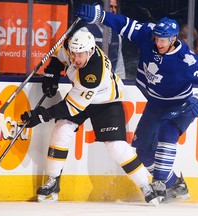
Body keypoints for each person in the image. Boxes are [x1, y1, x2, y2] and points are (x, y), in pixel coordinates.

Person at [75, 4, 198, 203]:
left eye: (163, 40)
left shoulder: (186, 60)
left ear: (173, 40)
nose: (159, 43)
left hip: (181, 105)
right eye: (157, 38)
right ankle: (175, 185)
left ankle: (160, 182)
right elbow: (123, 23)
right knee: (143, 152)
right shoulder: (148, 35)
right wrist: (99, 15)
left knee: (168, 131)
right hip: (156, 104)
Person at [20, 30, 159, 206]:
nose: (76, 58)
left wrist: (41, 115)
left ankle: (146, 185)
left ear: (91, 51)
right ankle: (53, 182)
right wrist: (52, 73)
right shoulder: (72, 46)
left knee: (116, 146)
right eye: (74, 54)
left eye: (81, 54)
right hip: (82, 97)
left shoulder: (91, 74)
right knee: (62, 128)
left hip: (106, 102)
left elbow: (70, 107)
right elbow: (59, 56)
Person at [80, 0, 126, 79]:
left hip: (110, 84)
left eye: (115, 7)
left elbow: (119, 66)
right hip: (88, 82)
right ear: (100, 8)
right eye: (110, 7)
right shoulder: (85, 32)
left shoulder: (117, 36)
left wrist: (122, 82)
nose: (114, 10)